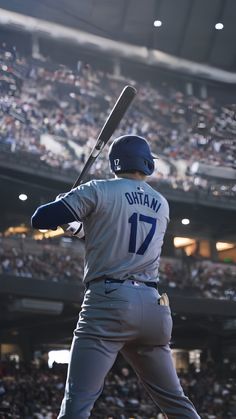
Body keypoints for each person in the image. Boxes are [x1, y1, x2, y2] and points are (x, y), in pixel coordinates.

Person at [31, 135, 200, 419]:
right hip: (154, 307)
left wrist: (63, 202)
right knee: (176, 404)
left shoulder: (98, 189)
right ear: (146, 164)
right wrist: (76, 228)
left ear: (115, 163)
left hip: (109, 303)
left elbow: (40, 218)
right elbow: (116, 235)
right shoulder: (161, 203)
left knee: (77, 402)